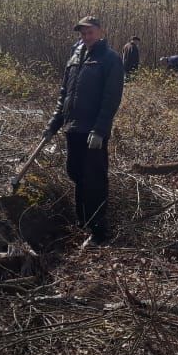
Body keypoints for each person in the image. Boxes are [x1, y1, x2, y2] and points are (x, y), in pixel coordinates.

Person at [45, 17, 124, 248]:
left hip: (93, 132)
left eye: (90, 32)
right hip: (73, 128)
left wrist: (100, 129)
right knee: (76, 174)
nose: (86, 36)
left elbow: (111, 98)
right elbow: (65, 93)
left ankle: (99, 231)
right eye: (82, 33)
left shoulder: (109, 59)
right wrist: (53, 124)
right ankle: (83, 220)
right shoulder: (75, 56)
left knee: (94, 180)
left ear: (100, 31)